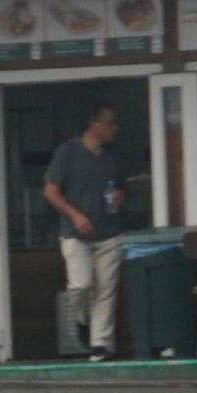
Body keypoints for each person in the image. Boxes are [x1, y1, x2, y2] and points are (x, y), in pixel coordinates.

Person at [42, 104, 124, 361]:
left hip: (109, 233)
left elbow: (119, 189)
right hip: (75, 234)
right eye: (111, 123)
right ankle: (81, 321)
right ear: (95, 124)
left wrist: (120, 196)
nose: (115, 129)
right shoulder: (67, 152)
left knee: (105, 291)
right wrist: (76, 216)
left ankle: (99, 344)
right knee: (81, 285)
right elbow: (50, 191)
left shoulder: (111, 157)